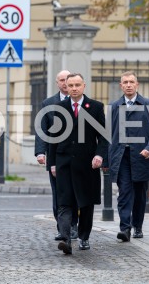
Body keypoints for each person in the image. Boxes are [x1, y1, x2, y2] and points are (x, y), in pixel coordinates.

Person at [48, 73, 108, 254]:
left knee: (86, 203)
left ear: (84, 86)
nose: (74, 88)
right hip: (64, 162)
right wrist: (52, 163)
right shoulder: (59, 107)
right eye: (70, 85)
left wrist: (99, 156)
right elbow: (53, 139)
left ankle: (84, 237)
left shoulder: (95, 107)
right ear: (66, 86)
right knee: (64, 202)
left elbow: (103, 137)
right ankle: (66, 238)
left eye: (77, 85)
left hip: (87, 164)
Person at [107, 71, 149, 242]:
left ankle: (137, 226)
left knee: (139, 194)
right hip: (122, 156)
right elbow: (109, 134)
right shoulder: (115, 106)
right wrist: (107, 158)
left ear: (137, 84)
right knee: (124, 192)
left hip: (141, 156)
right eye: (125, 82)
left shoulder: (148, 104)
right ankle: (125, 228)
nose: (128, 85)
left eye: (131, 82)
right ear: (121, 85)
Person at [34, 70, 79, 241]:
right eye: (61, 80)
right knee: (58, 193)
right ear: (57, 83)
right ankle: (62, 227)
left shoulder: (80, 102)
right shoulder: (48, 103)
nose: (65, 83)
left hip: (76, 157)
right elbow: (42, 129)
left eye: (67, 80)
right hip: (56, 156)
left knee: (75, 192)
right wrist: (40, 151)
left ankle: (73, 225)